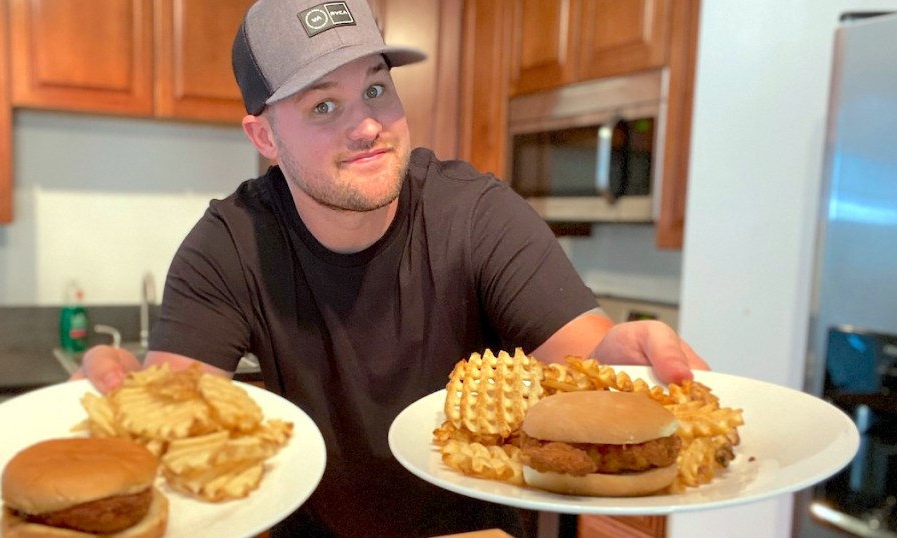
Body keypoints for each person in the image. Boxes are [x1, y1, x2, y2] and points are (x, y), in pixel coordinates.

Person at [77, 0, 708, 535]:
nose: (370, 126)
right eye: (324, 106)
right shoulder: (229, 243)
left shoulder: (477, 213)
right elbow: (175, 418)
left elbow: (586, 363)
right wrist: (131, 408)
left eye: (376, 88)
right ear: (264, 137)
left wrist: (619, 362)